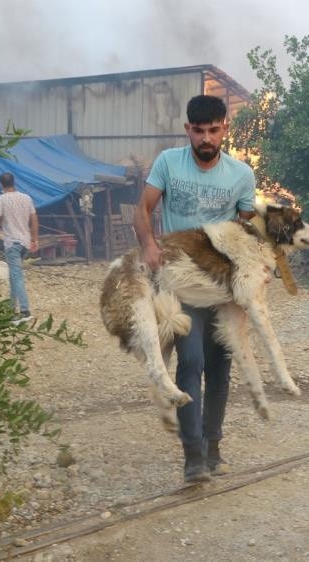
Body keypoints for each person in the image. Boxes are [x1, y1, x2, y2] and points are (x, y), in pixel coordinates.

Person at [133, 94, 256, 483]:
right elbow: (142, 211)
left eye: (213, 130)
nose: (206, 138)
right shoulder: (169, 163)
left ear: (225, 129)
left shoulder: (242, 175)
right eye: (199, 131)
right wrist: (150, 247)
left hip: (221, 288)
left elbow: (249, 231)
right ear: (187, 129)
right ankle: (193, 457)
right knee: (191, 362)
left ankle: (213, 447)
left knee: (220, 368)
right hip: (179, 284)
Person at [0, 172, 38, 325]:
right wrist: (34, 239)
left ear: (1, 184)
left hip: (12, 243)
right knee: (13, 276)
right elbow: (34, 220)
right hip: (24, 242)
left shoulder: (1, 199)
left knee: (16, 276)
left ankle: (25, 311)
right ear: (14, 182)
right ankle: (11, 310)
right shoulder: (26, 198)